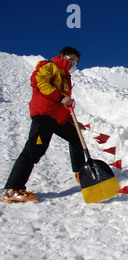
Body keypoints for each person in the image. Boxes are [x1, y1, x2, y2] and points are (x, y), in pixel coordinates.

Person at [3, 47, 85, 203]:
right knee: (35, 148)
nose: (72, 63)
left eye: (75, 62)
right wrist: (61, 97)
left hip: (58, 118)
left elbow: (64, 104)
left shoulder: (66, 78)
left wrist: (72, 121)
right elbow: (40, 83)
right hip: (44, 114)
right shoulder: (49, 66)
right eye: (71, 59)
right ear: (62, 56)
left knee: (76, 137)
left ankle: (81, 173)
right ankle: (13, 189)